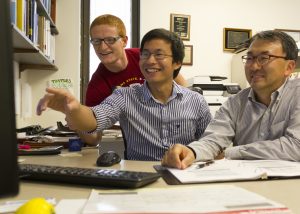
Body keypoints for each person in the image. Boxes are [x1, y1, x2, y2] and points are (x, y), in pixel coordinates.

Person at [37, 28, 212, 161]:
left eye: (159, 55)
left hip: (185, 175)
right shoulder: (125, 96)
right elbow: (95, 118)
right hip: (141, 177)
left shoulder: (196, 101)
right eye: (145, 54)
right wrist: (73, 109)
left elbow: (212, 145)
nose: (150, 61)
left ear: (177, 62)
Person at [162, 30, 300, 169]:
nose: (253, 66)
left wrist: (232, 152)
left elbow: (296, 147)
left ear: (289, 67)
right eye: (250, 58)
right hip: (247, 180)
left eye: (264, 58)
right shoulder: (235, 103)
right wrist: (192, 152)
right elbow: (213, 140)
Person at [82, 14, 187, 145]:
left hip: (173, 129)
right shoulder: (97, 85)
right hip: (140, 140)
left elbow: (182, 86)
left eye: (110, 40)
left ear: (124, 41)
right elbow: (92, 138)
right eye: (96, 41)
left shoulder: (145, 57)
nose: (102, 47)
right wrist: (76, 118)